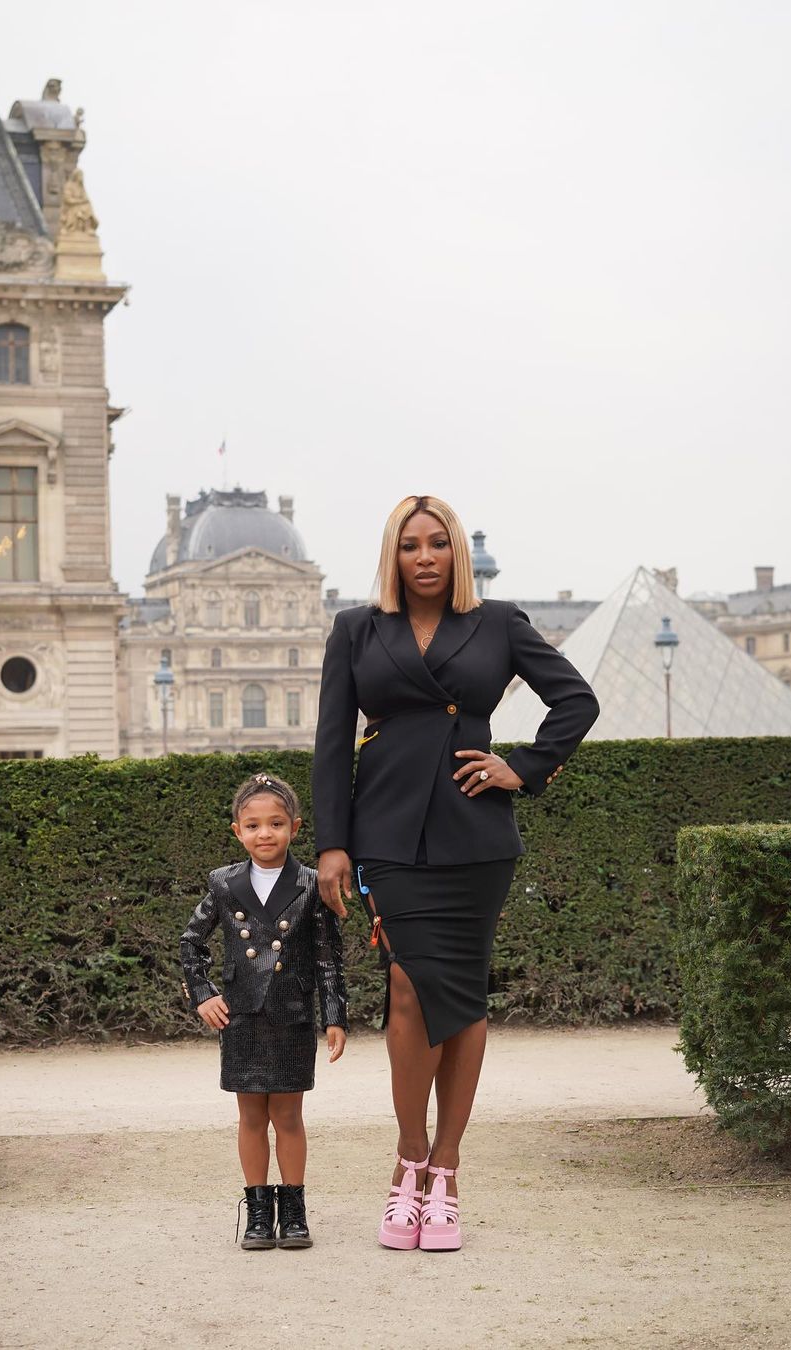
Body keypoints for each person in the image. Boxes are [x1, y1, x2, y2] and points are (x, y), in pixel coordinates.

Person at [312, 495, 599, 1251]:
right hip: (386, 833)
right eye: (410, 545)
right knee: (408, 985)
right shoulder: (355, 628)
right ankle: (409, 1160)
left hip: (475, 836)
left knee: (464, 998)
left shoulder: (498, 622)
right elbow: (331, 742)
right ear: (394, 555)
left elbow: (577, 700)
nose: (425, 557)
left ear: (457, 552)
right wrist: (332, 844)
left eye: (438, 543)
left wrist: (523, 767)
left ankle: (446, 1171)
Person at [180, 772, 348, 1251]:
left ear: (295, 827)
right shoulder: (224, 882)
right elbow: (191, 942)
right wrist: (203, 993)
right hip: (242, 1016)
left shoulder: (312, 883)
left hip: (292, 1012)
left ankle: (293, 1213)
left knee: (289, 1116)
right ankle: (257, 1212)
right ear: (238, 831)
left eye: (276, 823)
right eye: (253, 825)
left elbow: (327, 956)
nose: (265, 833)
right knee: (251, 1115)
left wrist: (334, 1015)